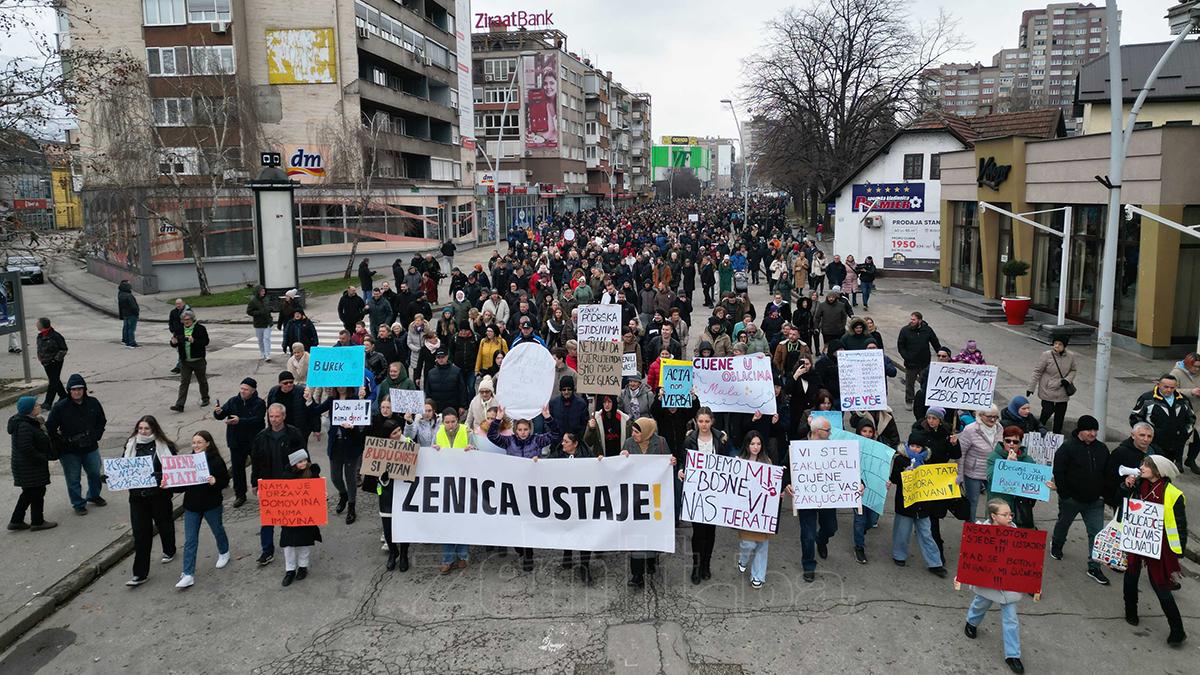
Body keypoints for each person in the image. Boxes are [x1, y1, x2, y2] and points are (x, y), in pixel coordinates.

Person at [1120, 455, 1188, 646]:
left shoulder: (1172, 493)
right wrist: (1126, 486)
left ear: (1158, 471)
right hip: (1137, 539)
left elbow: (1180, 525)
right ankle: (1130, 611)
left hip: (1159, 545)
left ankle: (1177, 630)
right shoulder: (1137, 484)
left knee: (1160, 584)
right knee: (1131, 573)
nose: (1141, 467)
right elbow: (1121, 499)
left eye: (1146, 465)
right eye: (1142, 464)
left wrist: (1178, 550)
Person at [487, 406, 560, 571]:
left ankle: (529, 556)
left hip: (531, 489)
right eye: (519, 429)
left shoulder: (537, 440)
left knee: (528, 523)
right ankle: (519, 548)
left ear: (530, 429)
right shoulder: (509, 441)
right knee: (513, 522)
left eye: (526, 429)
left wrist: (547, 417)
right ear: (515, 430)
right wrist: (498, 418)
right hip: (513, 488)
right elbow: (492, 435)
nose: (523, 432)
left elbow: (556, 435)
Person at [961, 499, 1027, 674]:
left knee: (1011, 618)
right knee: (981, 603)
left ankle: (1012, 655)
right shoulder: (981, 531)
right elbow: (971, 556)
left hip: (1008, 584)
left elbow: (1026, 560)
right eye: (1005, 514)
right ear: (993, 516)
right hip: (988, 581)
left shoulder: (1016, 533)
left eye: (1010, 514)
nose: (1009, 517)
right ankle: (971, 622)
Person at [1050, 415, 1110, 585]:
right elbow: (1059, 472)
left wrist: (1103, 493)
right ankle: (1057, 544)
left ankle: (1094, 567)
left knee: (1097, 534)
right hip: (1072, 500)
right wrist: (1065, 494)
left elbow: (1107, 472)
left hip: (1095, 502)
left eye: (1095, 430)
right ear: (1080, 431)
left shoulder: (1102, 448)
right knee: (1063, 524)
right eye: (1089, 430)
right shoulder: (1067, 448)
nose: (1093, 433)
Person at [122, 415, 178, 586]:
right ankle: (140, 573)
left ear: (154, 429)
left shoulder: (165, 446)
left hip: (159, 495)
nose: (143, 431)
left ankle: (169, 549)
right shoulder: (131, 445)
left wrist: (159, 476)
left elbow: (174, 469)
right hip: (137, 498)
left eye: (146, 428)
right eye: (140, 428)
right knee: (140, 534)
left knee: (164, 524)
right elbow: (123, 466)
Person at [250, 403, 308, 567]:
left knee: (288, 520)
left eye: (277, 416)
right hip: (269, 485)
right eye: (271, 416)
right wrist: (255, 482)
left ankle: (291, 548)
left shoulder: (294, 434)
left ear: (284, 416)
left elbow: (303, 458)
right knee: (267, 520)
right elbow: (256, 461)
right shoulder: (261, 437)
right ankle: (267, 551)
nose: (274, 420)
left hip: (289, 484)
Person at [784, 414, 840, 582]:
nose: (830, 433)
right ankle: (808, 564)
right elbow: (785, 467)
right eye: (828, 430)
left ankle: (821, 539)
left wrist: (859, 484)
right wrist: (786, 483)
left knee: (831, 528)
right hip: (806, 497)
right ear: (816, 431)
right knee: (807, 533)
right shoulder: (798, 447)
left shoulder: (835, 447)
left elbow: (847, 469)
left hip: (828, 497)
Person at [172, 430, 231, 589]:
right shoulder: (188, 461)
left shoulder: (216, 460)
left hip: (211, 505)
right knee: (190, 540)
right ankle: (188, 573)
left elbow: (225, 481)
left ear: (208, 444)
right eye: (194, 442)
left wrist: (215, 481)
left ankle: (224, 551)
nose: (196, 445)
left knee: (217, 530)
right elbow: (182, 485)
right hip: (192, 506)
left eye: (199, 442)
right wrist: (168, 485)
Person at [622, 417, 675, 587]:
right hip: (636, 497)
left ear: (647, 432)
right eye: (633, 431)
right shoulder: (629, 443)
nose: (633, 434)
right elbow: (621, 467)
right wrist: (622, 457)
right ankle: (637, 575)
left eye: (637, 431)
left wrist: (672, 463)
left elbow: (668, 464)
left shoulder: (660, 442)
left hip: (655, 496)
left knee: (652, 531)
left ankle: (651, 560)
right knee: (636, 534)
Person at [889, 430, 948, 578]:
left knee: (927, 534)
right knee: (902, 532)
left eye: (918, 447)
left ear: (923, 448)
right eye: (913, 446)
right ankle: (899, 555)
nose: (915, 449)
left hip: (923, 505)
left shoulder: (927, 461)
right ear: (908, 445)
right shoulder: (900, 459)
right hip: (905, 504)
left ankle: (935, 563)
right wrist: (905, 474)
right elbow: (894, 479)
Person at [46, 374, 107, 515]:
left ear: (84, 389)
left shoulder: (93, 403)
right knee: (73, 479)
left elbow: (101, 421)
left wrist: (95, 436)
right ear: (69, 391)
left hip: (90, 447)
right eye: (73, 389)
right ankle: (78, 503)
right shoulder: (60, 407)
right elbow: (50, 427)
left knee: (94, 474)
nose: (77, 392)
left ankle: (93, 495)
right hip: (69, 451)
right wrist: (61, 442)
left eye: (80, 389)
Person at [679, 407, 727, 583]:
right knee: (698, 533)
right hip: (696, 493)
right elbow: (683, 460)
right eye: (701, 421)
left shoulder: (720, 438)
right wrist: (681, 471)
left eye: (707, 421)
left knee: (711, 532)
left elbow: (726, 461)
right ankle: (696, 566)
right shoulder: (690, 439)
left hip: (715, 492)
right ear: (696, 421)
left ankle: (706, 565)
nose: (704, 425)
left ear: (712, 421)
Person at [547, 431, 601, 584]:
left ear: (575, 444)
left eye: (566, 442)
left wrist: (601, 462)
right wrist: (537, 461)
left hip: (583, 500)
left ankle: (584, 566)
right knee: (567, 528)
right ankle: (567, 554)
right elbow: (546, 466)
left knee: (584, 532)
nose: (562, 444)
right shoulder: (557, 454)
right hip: (565, 501)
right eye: (562, 441)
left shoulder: (587, 456)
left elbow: (598, 471)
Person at [213, 377, 267, 508]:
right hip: (236, 442)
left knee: (259, 467)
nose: (243, 391)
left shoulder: (259, 403)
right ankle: (240, 494)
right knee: (237, 470)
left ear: (253, 391)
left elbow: (258, 419)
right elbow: (222, 415)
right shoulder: (233, 401)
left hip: (253, 441)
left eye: (246, 389)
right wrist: (218, 412)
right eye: (241, 388)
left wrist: (240, 420)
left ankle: (260, 490)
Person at [986, 426, 1054, 528]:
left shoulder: (1028, 460)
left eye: (1015, 442)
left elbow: (1035, 482)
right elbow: (990, 477)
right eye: (1008, 441)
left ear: (1020, 443)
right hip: (999, 504)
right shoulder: (994, 457)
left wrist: (1046, 487)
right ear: (1003, 441)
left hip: (1020, 507)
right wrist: (1008, 465)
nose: (1011, 444)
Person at [8, 397, 56, 531]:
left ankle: (16, 521)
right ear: (30, 410)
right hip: (29, 466)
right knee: (36, 491)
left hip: (28, 466)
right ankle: (37, 522)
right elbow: (26, 448)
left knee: (29, 492)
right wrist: (43, 457)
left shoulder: (29, 421)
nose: (39, 406)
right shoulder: (24, 425)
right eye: (36, 405)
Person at [1130, 374, 1196, 471]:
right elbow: (1135, 418)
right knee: (1152, 470)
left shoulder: (1183, 400)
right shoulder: (1147, 398)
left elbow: (1191, 419)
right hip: (1154, 445)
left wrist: (1184, 434)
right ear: (1158, 385)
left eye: (1172, 387)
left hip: (1175, 445)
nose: (1169, 390)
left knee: (1166, 472)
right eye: (1166, 387)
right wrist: (1147, 436)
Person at [736, 431, 774, 589]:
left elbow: (771, 485)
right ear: (747, 445)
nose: (756, 447)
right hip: (746, 510)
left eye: (758, 444)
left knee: (762, 543)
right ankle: (743, 559)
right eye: (752, 444)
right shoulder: (740, 461)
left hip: (762, 511)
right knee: (748, 544)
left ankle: (758, 576)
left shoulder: (767, 461)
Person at [280, 449, 322, 587]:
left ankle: (303, 566)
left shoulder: (311, 473)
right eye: (300, 461)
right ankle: (290, 570)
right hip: (290, 517)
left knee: (304, 542)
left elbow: (317, 490)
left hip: (305, 517)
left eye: (304, 460)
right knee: (288, 545)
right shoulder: (286, 476)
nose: (303, 463)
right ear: (293, 463)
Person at [957, 405, 1003, 522]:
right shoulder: (970, 430)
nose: (993, 420)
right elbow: (961, 453)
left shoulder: (1000, 428)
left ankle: (990, 527)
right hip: (973, 472)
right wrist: (960, 475)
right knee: (972, 502)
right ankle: (971, 529)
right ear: (980, 415)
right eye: (989, 416)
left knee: (993, 503)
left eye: (995, 417)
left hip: (992, 472)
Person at [1028, 337, 1076, 434]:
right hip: (1048, 390)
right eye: (1055, 343)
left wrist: (1067, 380)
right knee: (1046, 412)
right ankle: (1037, 433)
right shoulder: (1046, 355)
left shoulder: (1070, 356)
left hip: (1062, 390)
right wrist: (1031, 388)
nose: (1057, 346)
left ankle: (1056, 437)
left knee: (1060, 416)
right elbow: (1037, 371)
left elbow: (1073, 370)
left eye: (1060, 344)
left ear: (1064, 346)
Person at [1105, 422, 1156, 509]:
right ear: (1133, 435)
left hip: (1151, 501)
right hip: (1124, 501)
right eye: (1142, 435)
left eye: (1149, 436)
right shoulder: (1120, 453)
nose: (1145, 439)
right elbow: (1110, 477)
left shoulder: (1156, 452)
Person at [897, 311, 942, 405]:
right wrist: (906, 356)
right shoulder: (905, 330)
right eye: (911, 319)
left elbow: (935, 342)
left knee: (924, 383)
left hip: (924, 363)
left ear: (920, 320)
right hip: (911, 363)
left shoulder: (927, 330)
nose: (911, 321)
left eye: (914, 319)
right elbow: (901, 345)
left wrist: (941, 353)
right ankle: (909, 400)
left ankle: (923, 400)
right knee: (909, 384)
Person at [169, 310, 211, 412]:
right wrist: (173, 343)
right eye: (184, 320)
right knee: (184, 382)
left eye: (188, 319)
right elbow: (175, 343)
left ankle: (205, 398)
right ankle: (180, 405)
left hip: (198, 360)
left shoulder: (200, 329)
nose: (186, 322)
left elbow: (206, 342)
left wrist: (194, 341)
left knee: (202, 381)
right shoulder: (179, 330)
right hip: (185, 361)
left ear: (192, 319)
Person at [1171, 352, 1200, 473]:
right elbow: (1170, 390)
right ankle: (1178, 461)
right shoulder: (1176, 373)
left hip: (1198, 410)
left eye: (1199, 367)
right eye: (1195, 366)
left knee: (1197, 438)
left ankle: (1191, 459)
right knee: (1182, 438)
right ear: (1188, 364)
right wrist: (1191, 391)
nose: (1197, 369)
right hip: (1183, 411)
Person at [34, 317, 68, 409]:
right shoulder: (40, 336)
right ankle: (64, 396)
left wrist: (55, 360)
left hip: (55, 363)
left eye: (37, 323)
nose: (36, 324)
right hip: (45, 363)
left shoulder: (55, 336)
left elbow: (63, 349)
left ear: (42, 325)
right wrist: (40, 358)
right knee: (55, 380)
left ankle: (48, 403)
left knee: (53, 382)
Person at [246, 285, 273, 363]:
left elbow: (269, 307)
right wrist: (258, 313)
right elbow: (249, 311)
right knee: (260, 339)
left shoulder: (266, 299)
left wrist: (270, 309)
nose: (263, 293)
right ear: (258, 292)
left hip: (267, 322)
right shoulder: (253, 301)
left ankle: (267, 354)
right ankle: (262, 353)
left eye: (264, 291)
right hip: (258, 323)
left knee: (266, 338)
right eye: (262, 291)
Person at [117, 279, 139, 348]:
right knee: (131, 329)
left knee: (126, 328)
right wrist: (137, 312)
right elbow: (133, 306)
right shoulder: (129, 296)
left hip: (125, 314)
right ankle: (131, 343)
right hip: (131, 314)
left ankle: (126, 341)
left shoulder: (120, 294)